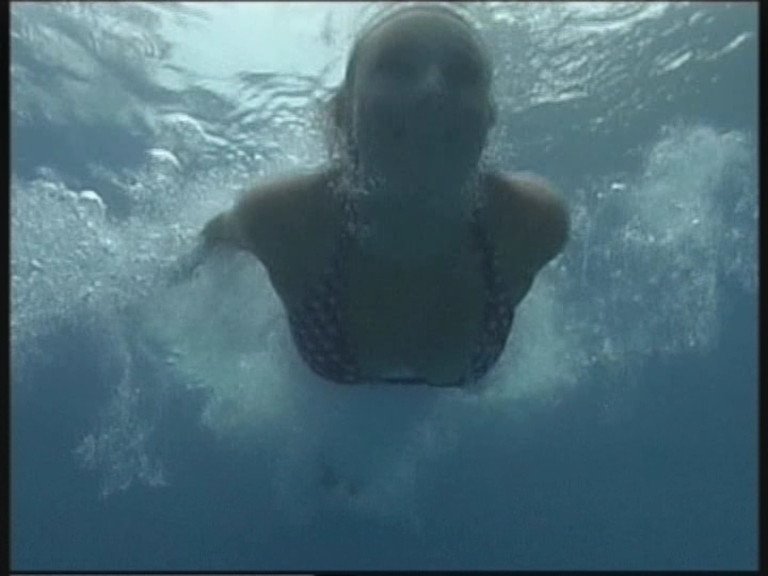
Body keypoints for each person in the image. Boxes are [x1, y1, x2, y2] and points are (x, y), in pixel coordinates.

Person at [197, 4, 569, 387]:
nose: (434, 90)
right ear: (344, 113)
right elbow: (214, 237)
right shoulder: (281, 217)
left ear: (489, 120)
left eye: (462, 73)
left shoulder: (534, 222)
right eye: (398, 67)